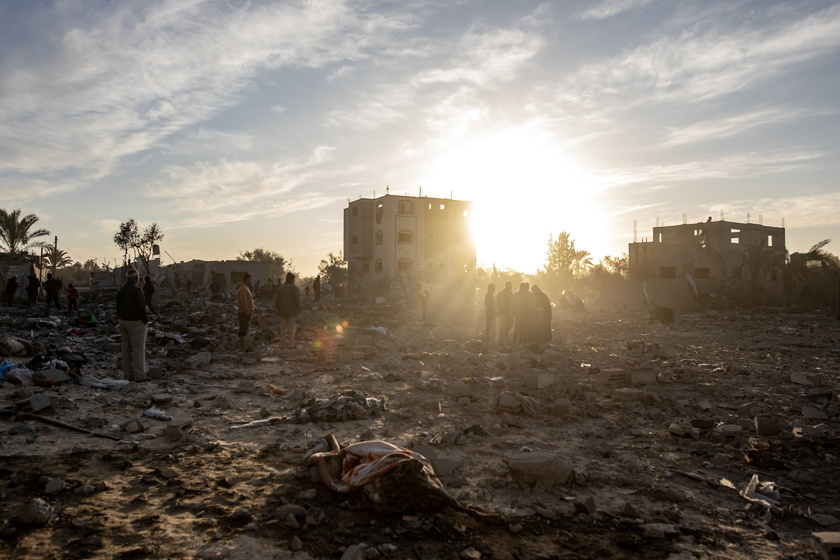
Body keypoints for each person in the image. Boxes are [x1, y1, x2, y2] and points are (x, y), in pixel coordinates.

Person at [116, 269, 149, 381]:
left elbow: (118, 308)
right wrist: (145, 320)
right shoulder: (137, 290)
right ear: (136, 278)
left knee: (126, 351)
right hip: (135, 322)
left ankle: (128, 375)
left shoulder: (121, 291)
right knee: (138, 350)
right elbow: (141, 308)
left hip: (123, 321)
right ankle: (140, 376)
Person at [275, 272, 302, 349]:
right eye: (293, 279)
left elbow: (277, 300)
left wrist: (278, 308)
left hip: (282, 311)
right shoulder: (294, 288)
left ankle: (282, 345)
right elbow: (297, 300)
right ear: (291, 280)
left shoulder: (280, 288)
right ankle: (291, 345)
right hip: (292, 311)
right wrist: (299, 308)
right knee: (291, 329)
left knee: (283, 328)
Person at [236, 273, 255, 352]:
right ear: (246, 279)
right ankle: (242, 346)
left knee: (244, 328)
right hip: (243, 312)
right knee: (243, 329)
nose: (251, 281)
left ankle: (243, 346)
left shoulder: (245, 288)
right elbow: (244, 302)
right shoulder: (243, 289)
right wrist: (247, 312)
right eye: (250, 279)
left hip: (244, 312)